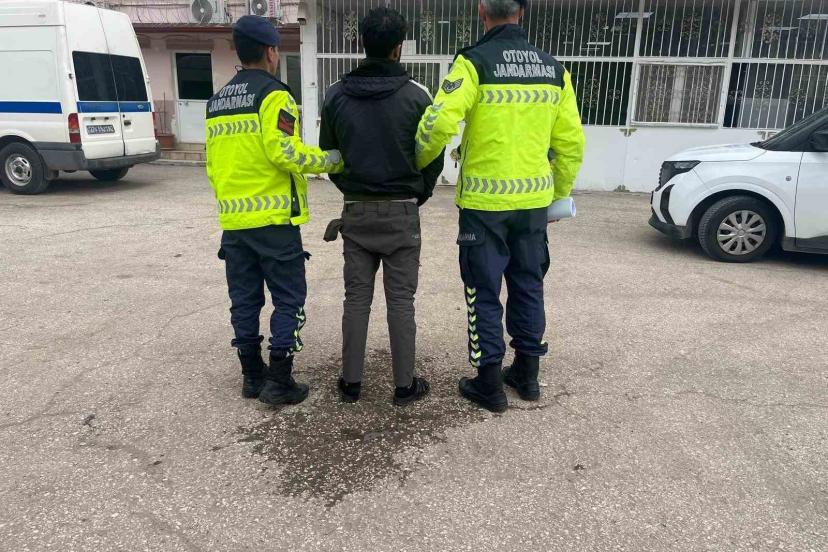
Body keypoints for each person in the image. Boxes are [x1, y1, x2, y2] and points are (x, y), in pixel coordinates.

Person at [414, 0, 586, 412]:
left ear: (481, 11)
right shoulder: (554, 70)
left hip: (484, 205)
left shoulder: (473, 63)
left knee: (483, 290)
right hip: (533, 204)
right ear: (522, 11)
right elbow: (571, 144)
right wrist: (557, 195)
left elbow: (439, 122)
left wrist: (416, 162)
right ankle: (527, 376)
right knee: (529, 284)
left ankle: (488, 384)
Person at [205, 15, 343, 407]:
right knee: (289, 298)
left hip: (234, 222)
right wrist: (331, 160)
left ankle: (252, 376)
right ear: (270, 52)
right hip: (274, 221)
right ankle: (280, 379)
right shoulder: (275, 95)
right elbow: (285, 152)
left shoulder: (217, 102)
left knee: (244, 299)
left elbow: (212, 164)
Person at [319, 7, 445, 406]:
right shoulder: (418, 95)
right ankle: (404, 387)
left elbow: (330, 156)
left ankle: (351, 385)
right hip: (402, 212)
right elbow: (434, 154)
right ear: (399, 47)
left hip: (357, 211)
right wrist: (419, 193)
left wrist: (351, 189)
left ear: (362, 42)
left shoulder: (336, 94)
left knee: (356, 299)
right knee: (401, 302)